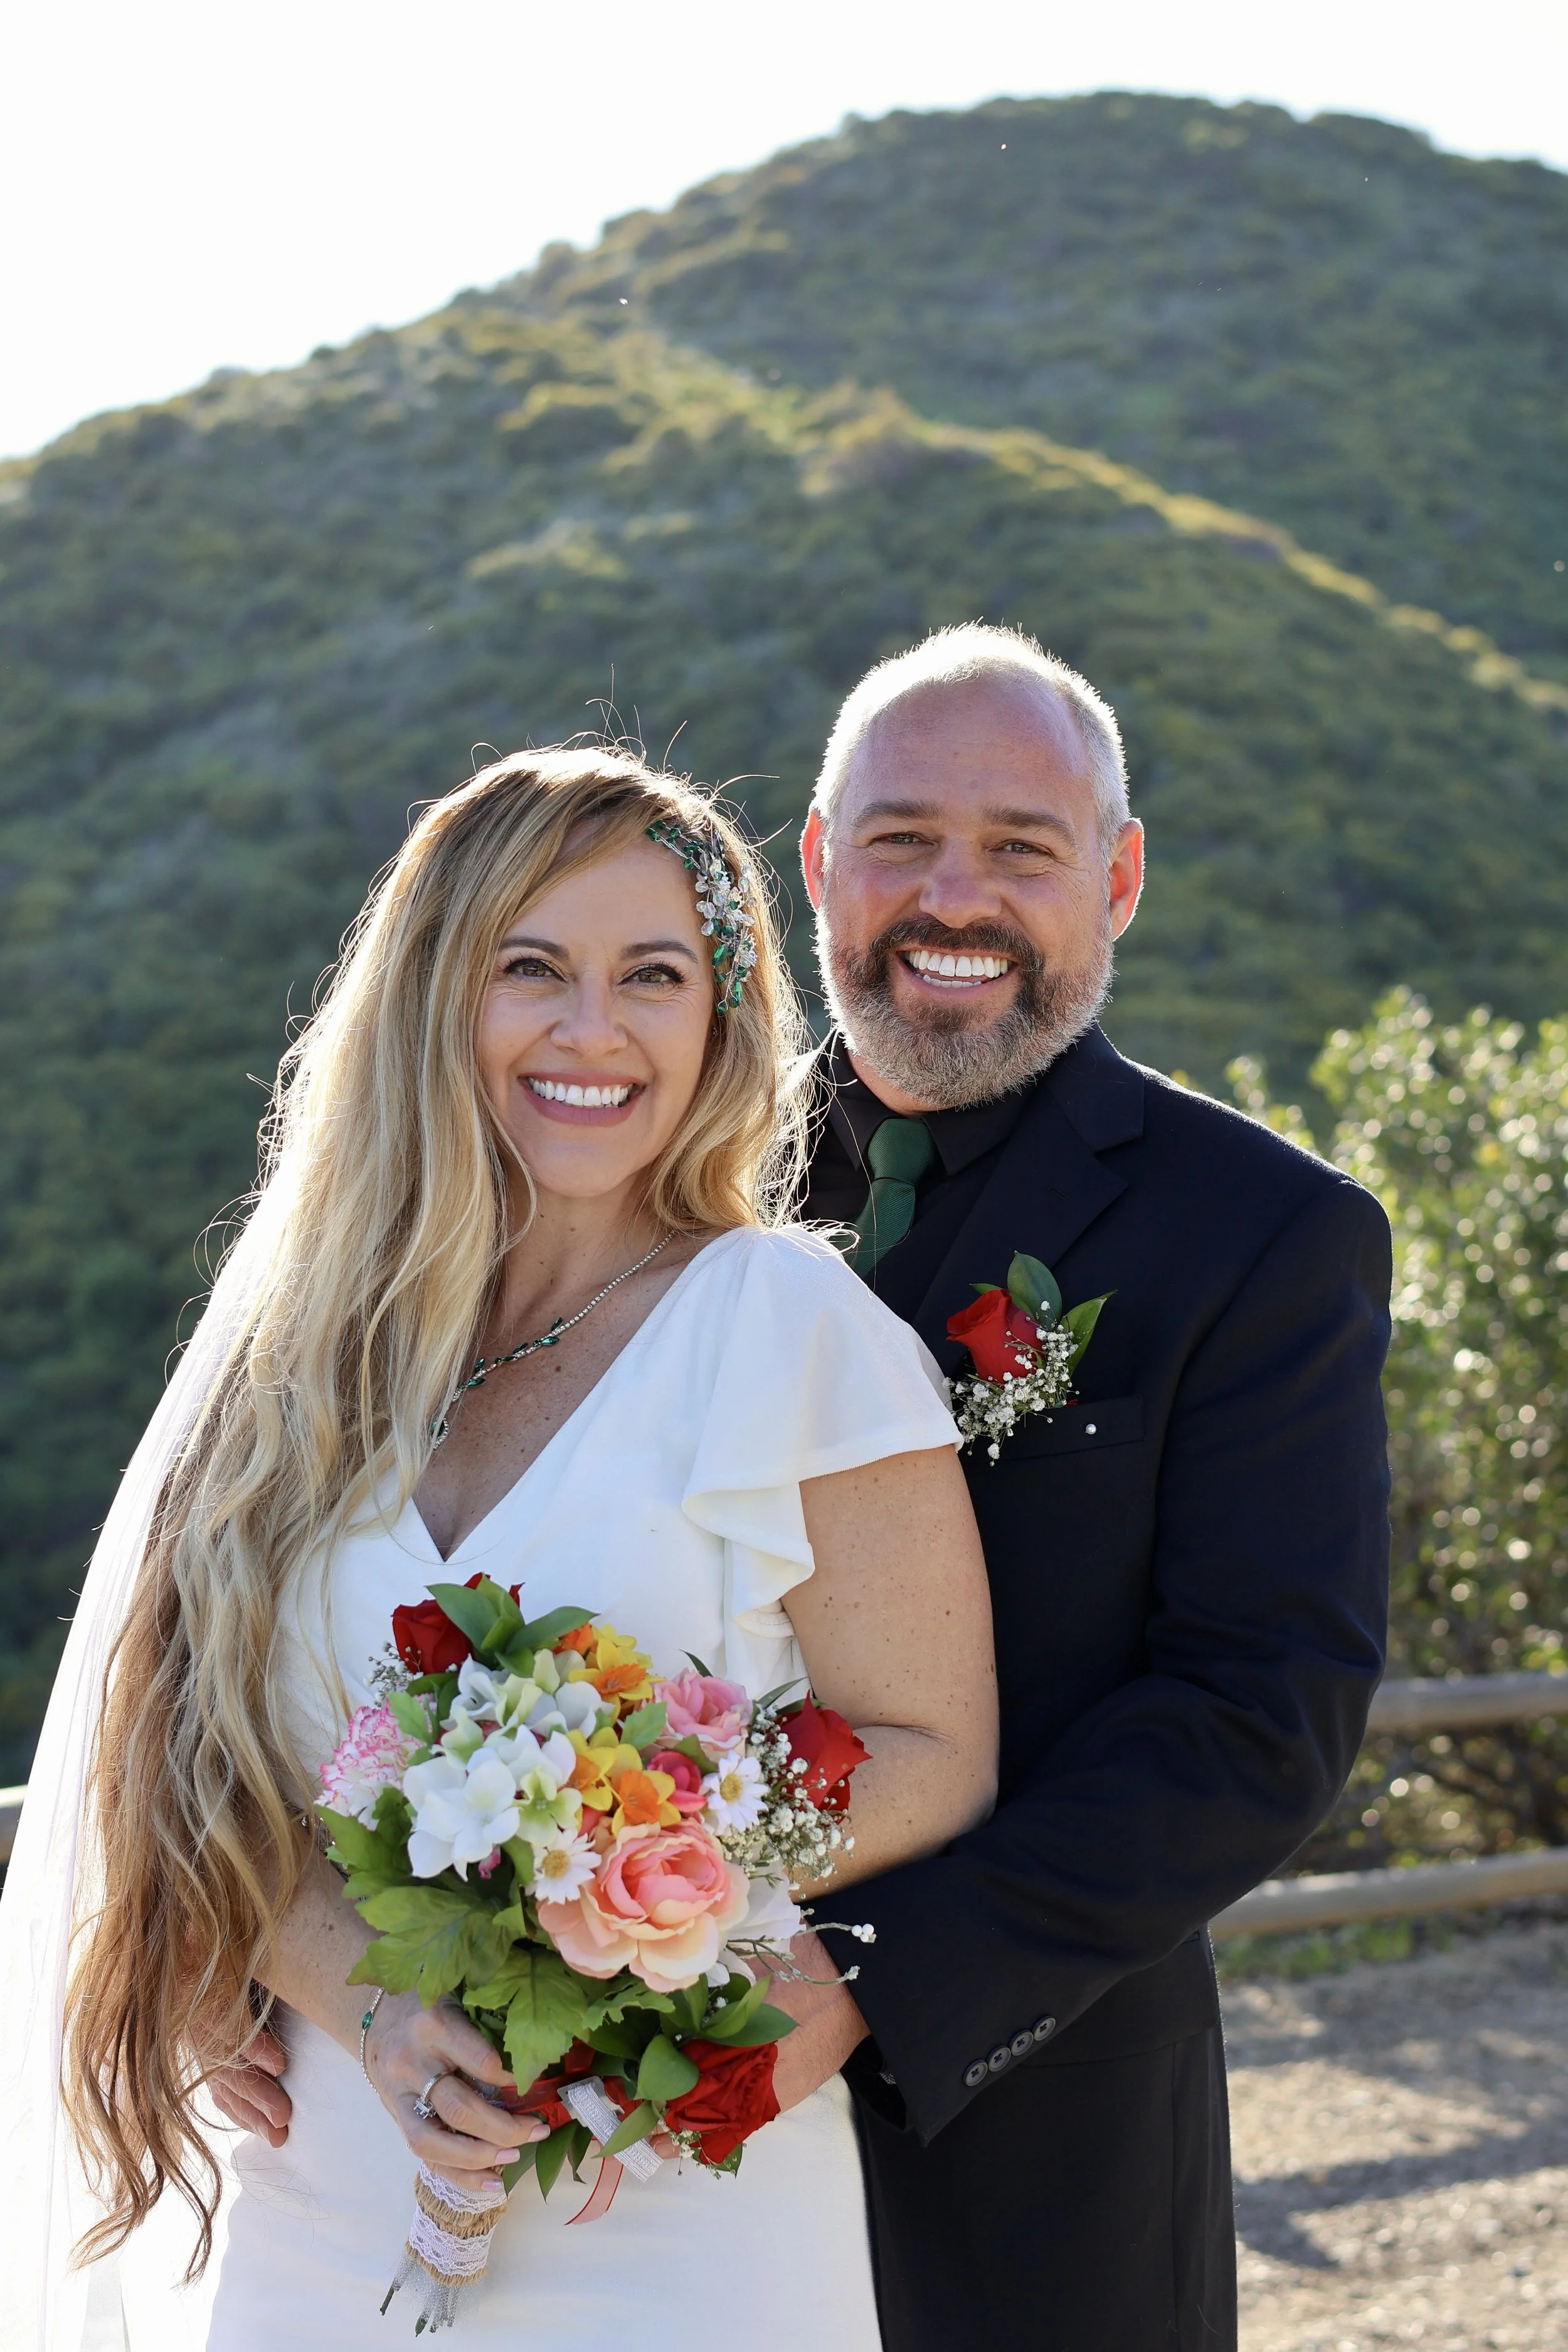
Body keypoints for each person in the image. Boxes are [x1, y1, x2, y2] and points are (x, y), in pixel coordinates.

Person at [0, 750, 998, 2350]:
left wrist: (623, 1899)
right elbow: (211, 1768)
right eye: (529, 968)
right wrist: (384, 2012)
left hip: (663, 2194)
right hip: (322, 2185)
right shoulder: (316, 1357)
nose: (590, 1031)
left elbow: (935, 1749)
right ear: (435, 999)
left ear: (720, 1020)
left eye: (650, 978)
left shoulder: (785, 1322)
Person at [783, 624, 1393, 2349]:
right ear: (821, 864)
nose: (951, 896)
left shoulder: (1262, 1233)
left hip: (1028, 2134)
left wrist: (866, 1978)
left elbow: (1254, 1709)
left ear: (1113, 879)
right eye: (900, 836)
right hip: (613, 2120)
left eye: (1021, 846)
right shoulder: (657, 1180)